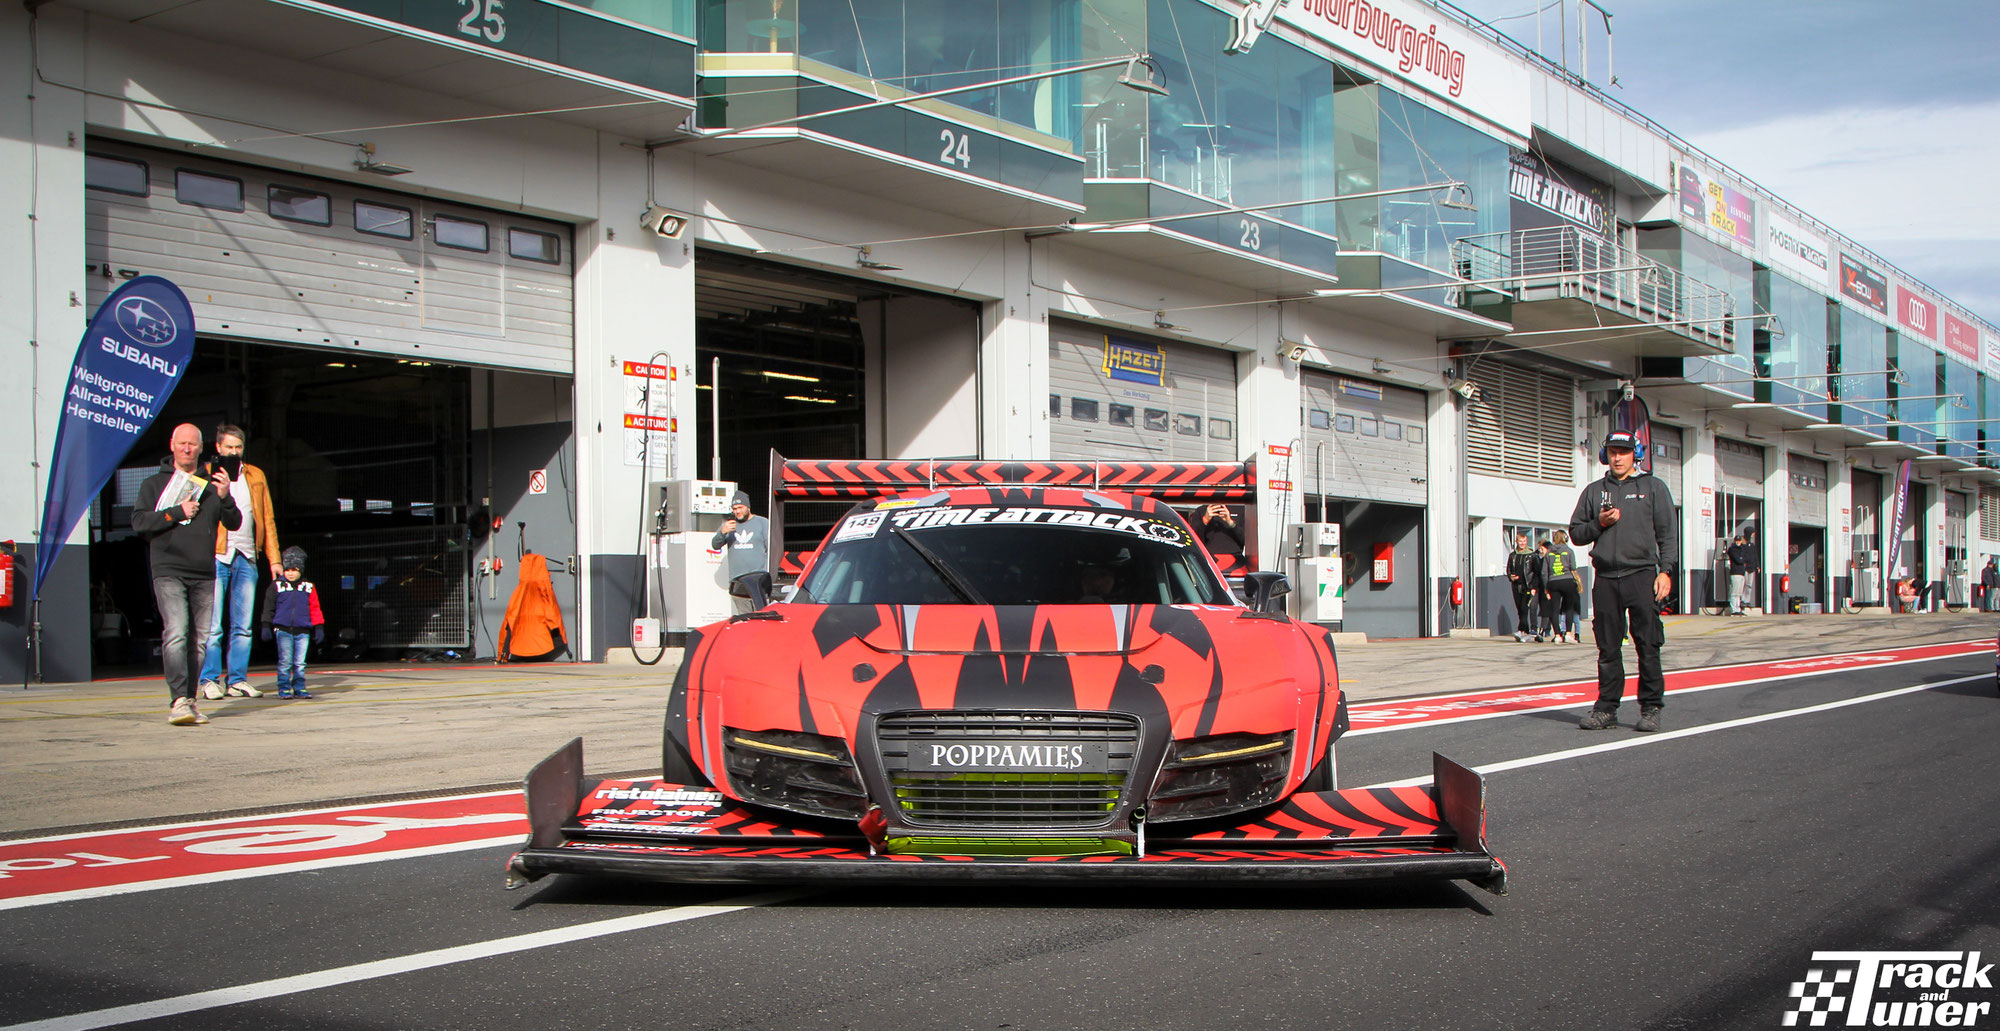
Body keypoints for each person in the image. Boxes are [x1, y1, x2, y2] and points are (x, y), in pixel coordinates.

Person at [132, 423, 242, 726]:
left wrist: (224, 496)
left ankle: (190, 700)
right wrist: (176, 512)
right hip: (168, 569)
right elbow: (140, 522)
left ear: (200, 448)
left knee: (200, 641)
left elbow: (234, 522)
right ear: (172, 445)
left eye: (192, 444)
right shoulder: (154, 484)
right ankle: (178, 700)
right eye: (182, 443)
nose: (187, 449)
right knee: (177, 633)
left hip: (204, 572)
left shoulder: (209, 485)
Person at [1569, 430, 1677, 733]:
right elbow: (1577, 533)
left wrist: (1665, 571)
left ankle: (1651, 707)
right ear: (1606, 455)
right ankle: (1606, 709)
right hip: (1606, 578)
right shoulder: (1594, 491)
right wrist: (1598, 524)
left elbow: (1668, 534)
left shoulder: (1653, 487)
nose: (1618, 457)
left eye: (1624, 452)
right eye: (1613, 452)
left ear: (1635, 455)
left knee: (1648, 644)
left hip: (1642, 575)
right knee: (1608, 648)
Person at [198, 424, 283, 700]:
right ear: (218, 448)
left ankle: (237, 679)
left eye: (238, 447)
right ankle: (209, 679)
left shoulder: (255, 475)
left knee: (244, 625)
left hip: (247, 554)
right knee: (213, 625)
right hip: (216, 554)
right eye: (229, 447)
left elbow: (267, 518)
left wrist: (274, 559)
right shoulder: (207, 474)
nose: (233, 452)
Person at [259, 546, 324, 699]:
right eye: (287, 569)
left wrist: (319, 626)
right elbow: (268, 607)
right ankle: (284, 688)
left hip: (303, 630)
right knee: (285, 662)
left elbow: (315, 608)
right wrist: (266, 625)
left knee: (300, 663)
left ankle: (300, 687)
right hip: (283, 630)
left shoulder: (308, 587)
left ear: (301, 569)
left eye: (294, 569)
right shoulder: (276, 586)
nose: (290, 573)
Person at [711, 491, 771, 613]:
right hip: (739, 584)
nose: (737, 511)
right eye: (734, 508)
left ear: (748, 507)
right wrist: (722, 532)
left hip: (759, 582)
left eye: (740, 507)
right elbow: (715, 545)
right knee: (745, 621)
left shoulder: (762, 523)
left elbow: (771, 549)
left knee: (763, 617)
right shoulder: (729, 525)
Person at [1542, 529, 1583, 644]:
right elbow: (1573, 567)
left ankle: (1557, 635)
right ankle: (1568, 634)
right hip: (1567, 581)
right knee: (1569, 608)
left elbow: (1544, 572)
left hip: (1553, 581)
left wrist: (1546, 587)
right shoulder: (1569, 551)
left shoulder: (1549, 553)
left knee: (1555, 609)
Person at [1506, 532, 1539, 642]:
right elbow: (1508, 569)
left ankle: (1522, 630)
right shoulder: (1512, 555)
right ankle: (1524, 631)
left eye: (1524, 541)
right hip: (1516, 585)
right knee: (1520, 609)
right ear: (1516, 542)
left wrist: (1534, 587)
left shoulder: (1532, 555)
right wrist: (1511, 577)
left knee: (1525, 608)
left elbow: (1536, 572)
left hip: (1527, 585)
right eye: (1520, 541)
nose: (1522, 543)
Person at [1725, 533, 1751, 616]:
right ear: (1734, 541)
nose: (1738, 542)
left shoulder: (1742, 549)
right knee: (1734, 592)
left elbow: (1747, 558)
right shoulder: (1732, 549)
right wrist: (1742, 558)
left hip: (1741, 572)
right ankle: (1734, 609)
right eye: (1737, 540)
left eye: (1740, 540)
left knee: (1739, 593)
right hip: (1735, 572)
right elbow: (1738, 560)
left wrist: (1742, 558)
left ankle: (1738, 608)